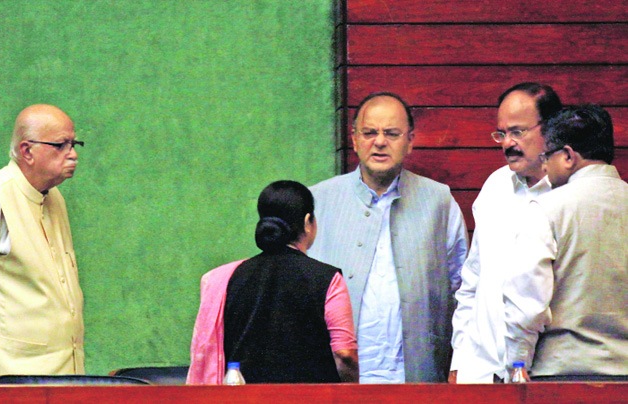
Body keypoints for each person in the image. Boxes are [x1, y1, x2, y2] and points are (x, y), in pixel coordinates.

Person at [308, 92, 469, 383]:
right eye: (369, 132)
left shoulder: (439, 202)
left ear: (410, 140)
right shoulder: (319, 201)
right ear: (354, 140)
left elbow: (463, 292)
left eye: (392, 133)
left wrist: (460, 366)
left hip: (419, 379)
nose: (380, 142)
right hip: (337, 382)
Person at [187, 180, 358, 384]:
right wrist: (353, 389)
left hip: (243, 396)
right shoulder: (328, 279)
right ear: (307, 222)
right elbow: (344, 355)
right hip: (311, 397)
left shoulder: (224, 279)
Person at [503, 104, 627, 381]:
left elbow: (526, 307)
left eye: (547, 156)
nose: (545, 166)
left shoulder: (548, 209)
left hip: (562, 377)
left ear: (569, 155)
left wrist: (516, 366)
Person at [449, 83, 563, 383]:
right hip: (481, 374)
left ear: (550, 129)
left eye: (518, 132)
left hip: (542, 378)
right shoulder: (496, 186)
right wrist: (460, 362)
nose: (507, 144)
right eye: (501, 134)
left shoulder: (567, 196)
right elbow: (473, 280)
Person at [0, 104, 85, 385]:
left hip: (59, 380)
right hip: (1, 384)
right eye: (60, 145)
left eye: (73, 144)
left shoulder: (54, 198)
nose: (73, 154)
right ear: (27, 151)